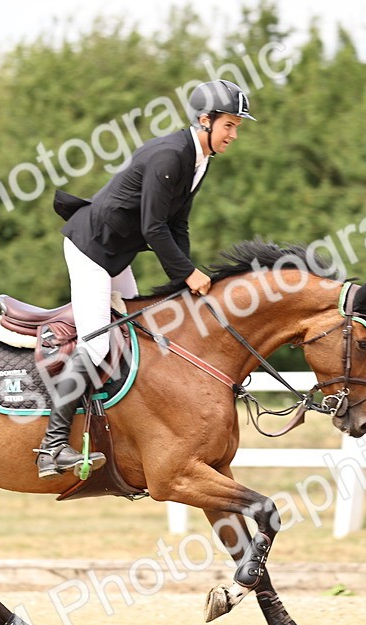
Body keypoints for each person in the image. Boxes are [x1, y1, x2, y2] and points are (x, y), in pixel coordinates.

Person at [35, 79, 256, 479]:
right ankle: (51, 447)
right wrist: (186, 276)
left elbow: (178, 224)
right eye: (230, 125)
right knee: (99, 344)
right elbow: (154, 228)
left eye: (237, 126)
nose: (234, 134)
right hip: (91, 249)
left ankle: (120, 430)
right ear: (205, 121)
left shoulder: (198, 159)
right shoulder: (170, 156)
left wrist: (187, 279)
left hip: (116, 253)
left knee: (140, 336)